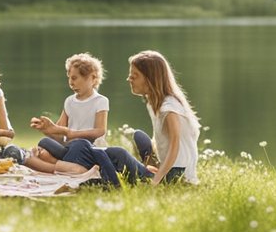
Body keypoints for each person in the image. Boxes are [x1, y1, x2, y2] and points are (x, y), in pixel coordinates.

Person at [104, 50, 200, 185]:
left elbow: (175, 146)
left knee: (118, 154)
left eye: (135, 76)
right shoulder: (155, 102)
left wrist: (156, 179)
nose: (129, 79)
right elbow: (161, 141)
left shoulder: (169, 108)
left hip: (177, 174)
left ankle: (147, 178)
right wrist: (156, 164)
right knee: (139, 136)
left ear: (151, 79)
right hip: (167, 167)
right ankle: (148, 170)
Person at [29, 52, 109, 160]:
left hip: (91, 150)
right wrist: (48, 130)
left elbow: (100, 131)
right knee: (44, 142)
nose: (71, 83)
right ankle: (66, 162)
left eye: (74, 78)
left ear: (92, 78)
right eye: (69, 78)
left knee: (80, 144)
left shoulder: (100, 101)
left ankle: (62, 163)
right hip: (69, 148)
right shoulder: (69, 101)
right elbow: (60, 136)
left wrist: (71, 133)